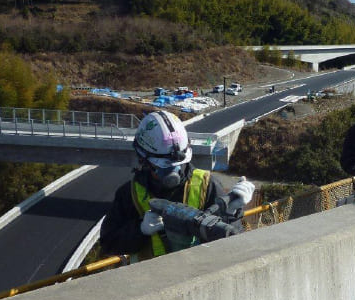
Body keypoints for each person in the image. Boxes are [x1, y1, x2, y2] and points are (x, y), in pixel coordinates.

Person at [99, 110, 255, 261]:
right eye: (162, 166)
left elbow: (231, 241)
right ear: (144, 161)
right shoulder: (130, 194)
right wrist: (139, 230)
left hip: (197, 274)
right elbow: (108, 243)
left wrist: (232, 212)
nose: (174, 171)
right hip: (152, 280)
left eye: (178, 164)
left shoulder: (206, 185)